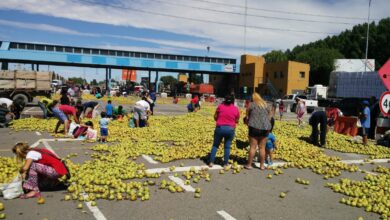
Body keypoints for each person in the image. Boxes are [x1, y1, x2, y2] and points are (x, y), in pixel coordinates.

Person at [208, 95, 240, 168]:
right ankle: (225, 163)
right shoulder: (236, 109)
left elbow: (215, 116)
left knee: (215, 145)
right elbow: (237, 120)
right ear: (233, 101)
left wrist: (220, 121)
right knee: (227, 147)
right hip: (230, 129)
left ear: (225, 100)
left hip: (220, 128)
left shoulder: (220, 106)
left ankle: (211, 162)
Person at [244, 93, 272, 170]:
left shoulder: (251, 104)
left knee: (253, 147)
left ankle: (249, 165)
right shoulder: (266, 104)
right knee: (262, 148)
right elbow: (270, 116)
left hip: (254, 127)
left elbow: (247, 117)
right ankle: (262, 166)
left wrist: (248, 122)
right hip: (265, 128)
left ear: (253, 98)